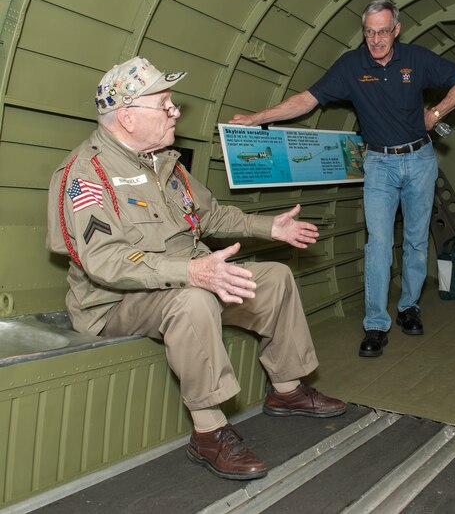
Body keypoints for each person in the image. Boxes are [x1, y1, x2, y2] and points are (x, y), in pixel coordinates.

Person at [47, 57, 347, 481]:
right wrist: (192, 273)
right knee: (192, 298)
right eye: (165, 104)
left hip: (184, 280)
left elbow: (211, 217)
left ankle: (287, 389)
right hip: (114, 302)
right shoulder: (85, 176)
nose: (175, 112)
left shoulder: (164, 164)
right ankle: (209, 432)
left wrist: (271, 227)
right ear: (128, 117)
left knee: (274, 277)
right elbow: (105, 261)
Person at [230, 0, 455, 358]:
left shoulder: (417, 59)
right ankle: (376, 324)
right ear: (364, 32)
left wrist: (435, 112)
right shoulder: (350, 66)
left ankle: (409, 307)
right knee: (378, 244)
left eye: (383, 31)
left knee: (416, 241)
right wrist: (257, 117)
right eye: (369, 31)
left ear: (397, 30)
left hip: (420, 159)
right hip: (379, 163)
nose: (376, 39)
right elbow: (307, 100)